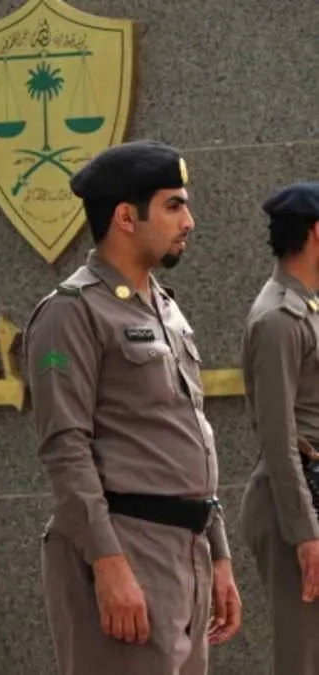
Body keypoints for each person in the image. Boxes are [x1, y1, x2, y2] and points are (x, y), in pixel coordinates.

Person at [22, 140, 242, 675]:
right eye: (174, 206)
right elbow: (65, 448)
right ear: (125, 217)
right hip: (127, 545)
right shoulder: (71, 313)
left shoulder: (164, 307)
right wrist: (108, 562)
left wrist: (218, 552)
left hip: (186, 550)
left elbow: (191, 434)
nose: (189, 221)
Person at [238, 182, 319, 674]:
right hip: (294, 503)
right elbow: (278, 437)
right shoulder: (278, 319)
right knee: (302, 658)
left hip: (310, 495)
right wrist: (305, 533)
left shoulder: (306, 307)